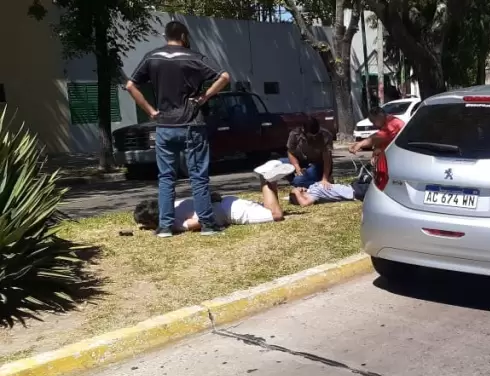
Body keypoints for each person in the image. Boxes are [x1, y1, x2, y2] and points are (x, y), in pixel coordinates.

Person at [126, 21, 230, 238]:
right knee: (198, 177)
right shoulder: (194, 57)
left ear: (166, 36)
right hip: (192, 124)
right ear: (183, 35)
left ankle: (165, 227)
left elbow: (130, 85)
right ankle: (208, 225)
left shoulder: (152, 57)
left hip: (164, 125)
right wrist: (203, 97)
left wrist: (151, 111)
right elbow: (224, 77)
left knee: (166, 177)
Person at [133, 161, 294, 233]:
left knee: (276, 215)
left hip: (230, 213)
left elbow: (197, 223)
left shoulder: (174, 222)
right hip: (228, 202)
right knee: (270, 208)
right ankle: (271, 180)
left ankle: (264, 177)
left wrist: (171, 228)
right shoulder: (174, 204)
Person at [282, 117, 335, 189]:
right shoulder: (294, 134)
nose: (314, 137)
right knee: (280, 163)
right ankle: (298, 183)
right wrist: (297, 167)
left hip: (317, 164)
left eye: (315, 134)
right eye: (311, 135)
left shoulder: (325, 135)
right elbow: (290, 152)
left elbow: (327, 158)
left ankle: (319, 183)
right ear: (303, 130)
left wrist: (325, 178)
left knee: (298, 181)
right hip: (301, 161)